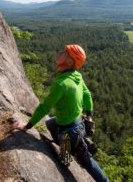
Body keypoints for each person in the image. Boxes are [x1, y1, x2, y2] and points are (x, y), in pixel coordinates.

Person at [13, 44, 109, 182]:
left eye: (64, 52)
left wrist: (26, 126)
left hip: (68, 131)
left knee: (70, 161)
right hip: (77, 122)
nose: (59, 53)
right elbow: (87, 95)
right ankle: (75, 144)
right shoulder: (77, 76)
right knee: (50, 123)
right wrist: (89, 113)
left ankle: (72, 152)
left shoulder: (61, 84)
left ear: (69, 61)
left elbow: (44, 108)